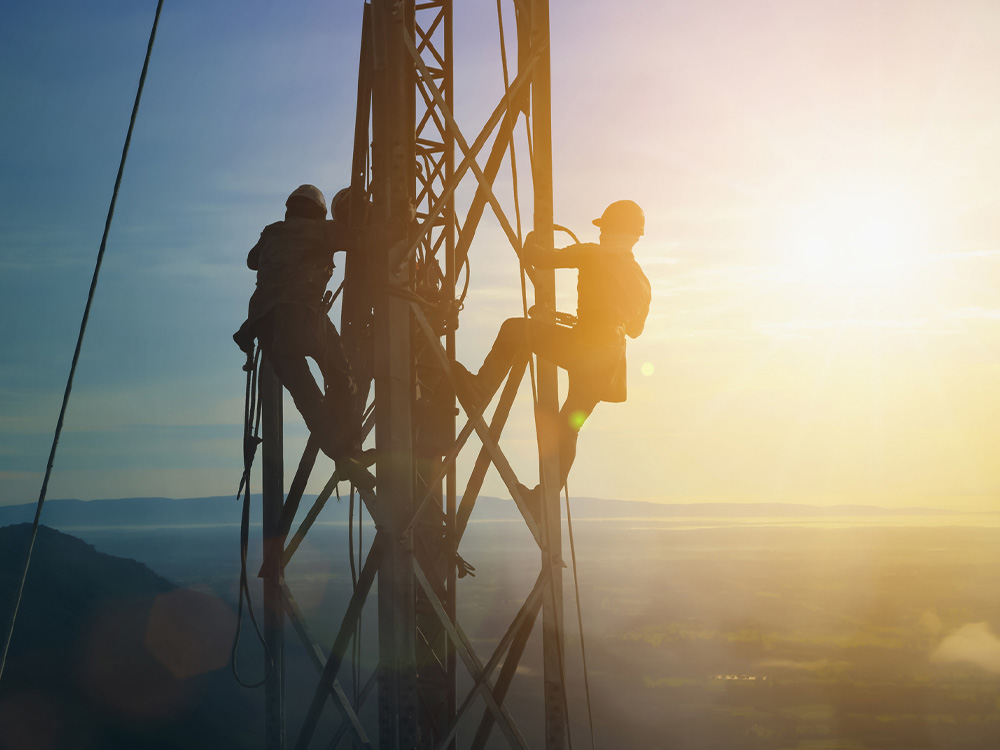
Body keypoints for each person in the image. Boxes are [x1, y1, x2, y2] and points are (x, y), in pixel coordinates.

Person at [454, 200, 651, 508]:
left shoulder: (593, 253)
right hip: (610, 361)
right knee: (568, 427)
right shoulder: (642, 281)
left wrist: (536, 235)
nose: (600, 235)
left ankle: (479, 389)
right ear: (636, 236)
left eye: (604, 229)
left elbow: (538, 259)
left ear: (611, 230)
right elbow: (635, 330)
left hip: (586, 345)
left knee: (513, 330)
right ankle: (544, 497)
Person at [233, 184, 368, 474]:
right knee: (343, 378)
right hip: (305, 317)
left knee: (307, 396)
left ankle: (342, 456)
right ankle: (351, 445)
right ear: (318, 213)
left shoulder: (271, 233)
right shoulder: (323, 231)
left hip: (267, 326)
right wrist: (396, 220)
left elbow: (252, 261)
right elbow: (366, 240)